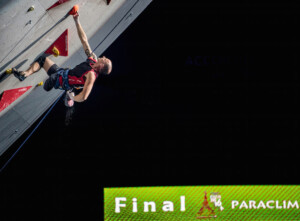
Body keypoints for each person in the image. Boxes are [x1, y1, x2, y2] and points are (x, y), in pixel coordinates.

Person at [13, 12, 112, 105]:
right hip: (62, 72)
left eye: (105, 59)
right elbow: (84, 40)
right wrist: (77, 21)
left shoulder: (91, 76)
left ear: (102, 65)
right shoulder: (92, 59)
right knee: (42, 60)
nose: (103, 57)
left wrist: (72, 98)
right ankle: (24, 74)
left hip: (59, 81)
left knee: (47, 85)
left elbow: (84, 97)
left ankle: (61, 91)